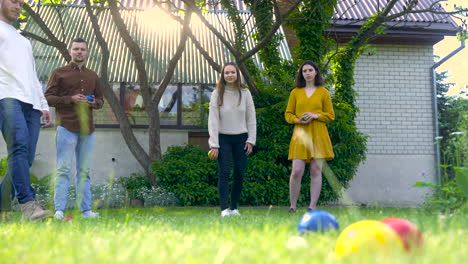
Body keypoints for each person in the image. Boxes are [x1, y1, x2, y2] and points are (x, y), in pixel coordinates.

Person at [0, 0, 53, 221]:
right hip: (7, 96)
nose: (19, 6)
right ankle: (28, 205)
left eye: (21, 3)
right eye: (14, 1)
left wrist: (43, 105)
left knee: (27, 156)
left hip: (31, 103)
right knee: (19, 147)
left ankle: (1, 207)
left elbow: (32, 76)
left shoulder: (23, 41)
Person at [45, 38, 104, 220]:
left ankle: (86, 211)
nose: (79, 52)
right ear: (70, 51)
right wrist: (70, 99)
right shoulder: (58, 73)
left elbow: (101, 100)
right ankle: (59, 210)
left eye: (83, 49)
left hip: (88, 130)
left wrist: (94, 102)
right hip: (66, 127)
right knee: (63, 169)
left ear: (87, 53)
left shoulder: (93, 75)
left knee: (83, 171)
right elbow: (48, 97)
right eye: (76, 49)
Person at [284, 60, 335, 213]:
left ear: (316, 72)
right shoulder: (295, 93)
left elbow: (330, 115)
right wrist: (296, 120)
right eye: (304, 71)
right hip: (300, 134)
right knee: (296, 171)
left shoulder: (323, 92)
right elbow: (288, 114)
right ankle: (293, 206)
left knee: (315, 171)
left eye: (310, 70)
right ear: (301, 74)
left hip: (319, 135)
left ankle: (312, 206)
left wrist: (315, 115)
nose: (307, 73)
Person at [208, 62, 256, 217]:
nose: (229, 75)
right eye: (226, 73)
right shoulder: (217, 93)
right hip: (223, 139)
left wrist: (251, 140)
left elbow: (251, 118)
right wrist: (214, 144)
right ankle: (224, 209)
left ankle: (234, 208)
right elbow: (213, 120)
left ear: (237, 74)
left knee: (239, 173)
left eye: (232, 72)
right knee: (224, 172)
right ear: (223, 75)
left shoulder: (245, 93)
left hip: (241, 138)